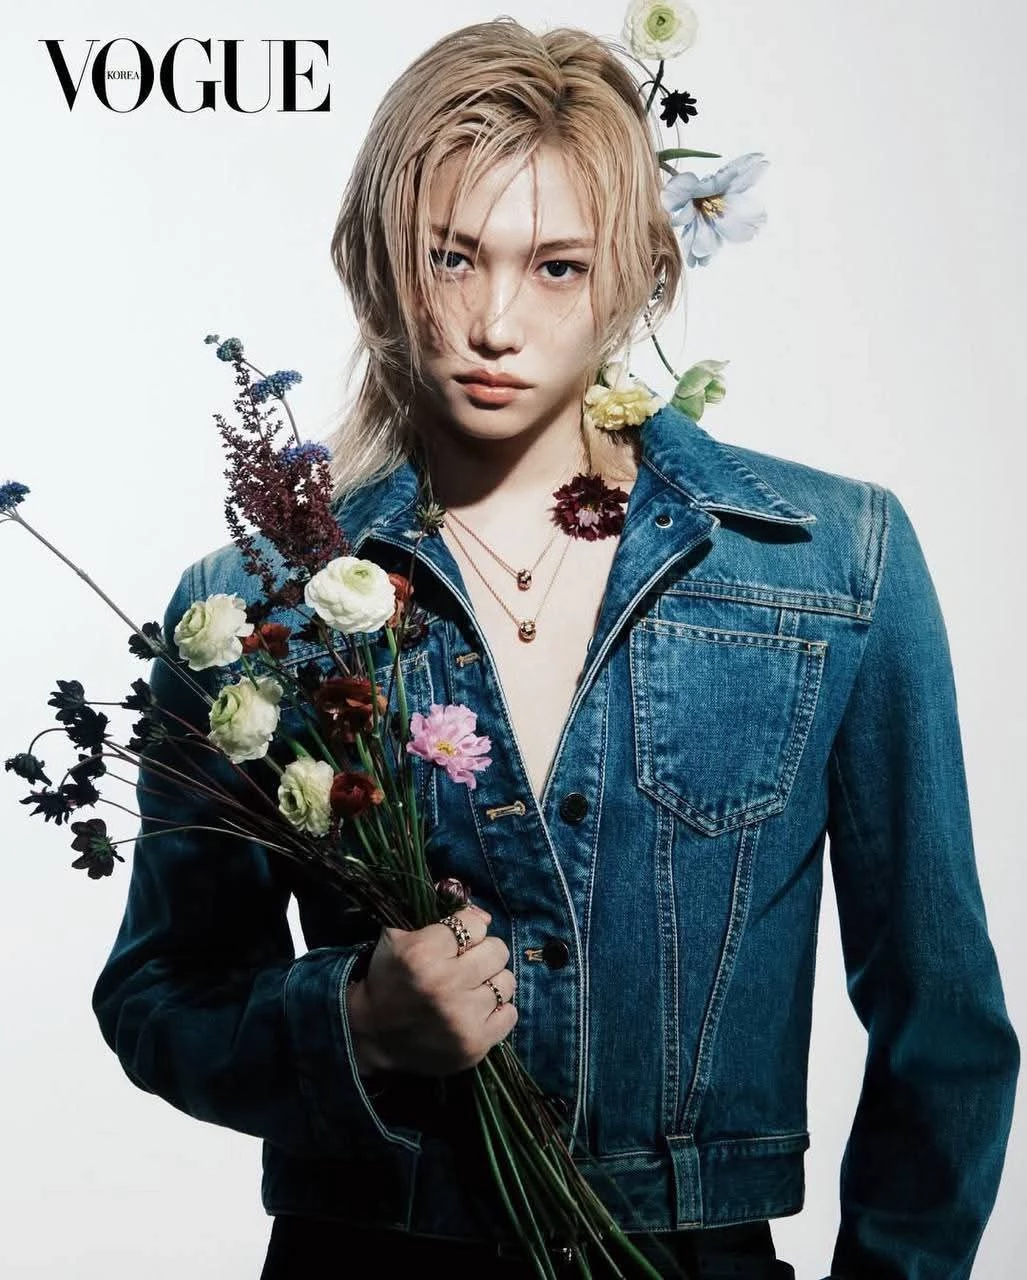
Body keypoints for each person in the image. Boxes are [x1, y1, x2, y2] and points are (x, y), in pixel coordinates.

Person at [92, 18, 1019, 1280]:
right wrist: (355, 1020)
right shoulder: (260, 607)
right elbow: (160, 994)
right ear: (377, 261)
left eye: (557, 267)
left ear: (637, 272)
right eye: (452, 256)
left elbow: (944, 1020)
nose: (494, 321)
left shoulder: (830, 565)